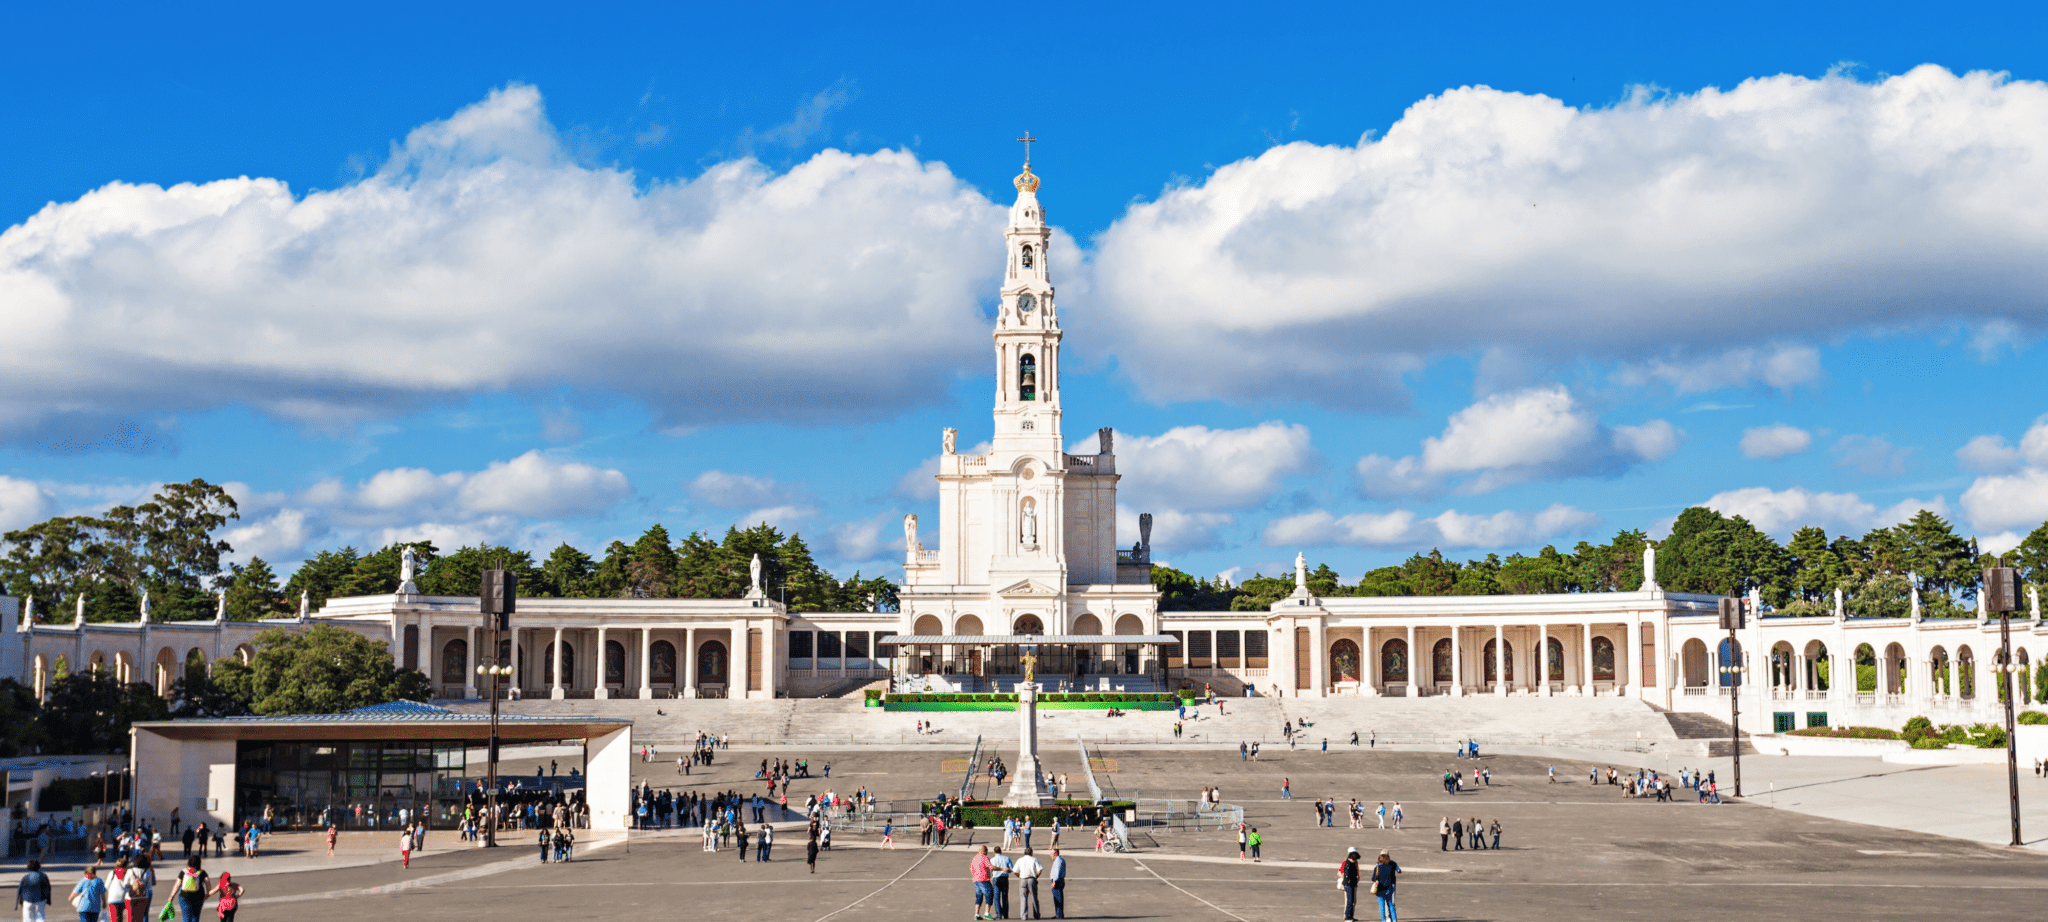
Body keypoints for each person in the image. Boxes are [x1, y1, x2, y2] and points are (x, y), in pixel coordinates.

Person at [1370, 849, 1401, 922]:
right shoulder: (1391, 866)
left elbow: (1373, 878)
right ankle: (1394, 919)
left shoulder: (1377, 867)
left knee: (1382, 906)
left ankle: (1384, 920)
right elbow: (1396, 873)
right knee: (1391, 905)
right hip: (1389, 889)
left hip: (1380, 889)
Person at [1013, 847, 1044, 920]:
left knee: (1023, 898)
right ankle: (1036, 915)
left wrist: (1019, 876)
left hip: (1023, 879)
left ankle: (1024, 916)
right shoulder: (1034, 859)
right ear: (1031, 853)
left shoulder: (1020, 860)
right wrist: (1036, 877)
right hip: (1031, 879)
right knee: (1034, 897)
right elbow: (1039, 870)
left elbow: (1015, 871)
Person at [970, 845, 994, 920]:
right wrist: (1001, 869)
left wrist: (974, 876)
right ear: (984, 850)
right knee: (989, 895)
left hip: (976, 880)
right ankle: (987, 913)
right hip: (984, 879)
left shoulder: (974, 858)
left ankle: (976, 914)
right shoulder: (985, 858)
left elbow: (971, 868)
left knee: (979, 897)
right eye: (987, 850)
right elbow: (991, 867)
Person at [1338, 847, 1361, 921]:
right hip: (1348, 884)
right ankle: (1347, 917)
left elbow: (1357, 871)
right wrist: (1343, 876)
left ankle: (1351, 916)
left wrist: (1357, 876)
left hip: (1354, 883)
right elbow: (1339, 872)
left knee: (1353, 901)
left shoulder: (1355, 862)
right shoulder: (1345, 862)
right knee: (1349, 901)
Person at [990, 846, 1014, 918]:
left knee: (997, 897)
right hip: (1004, 878)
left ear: (994, 853)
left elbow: (990, 870)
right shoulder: (1006, 858)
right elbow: (1011, 869)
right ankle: (1006, 914)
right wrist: (1007, 870)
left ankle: (999, 914)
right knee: (1005, 896)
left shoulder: (992, 860)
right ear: (1001, 851)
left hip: (996, 878)